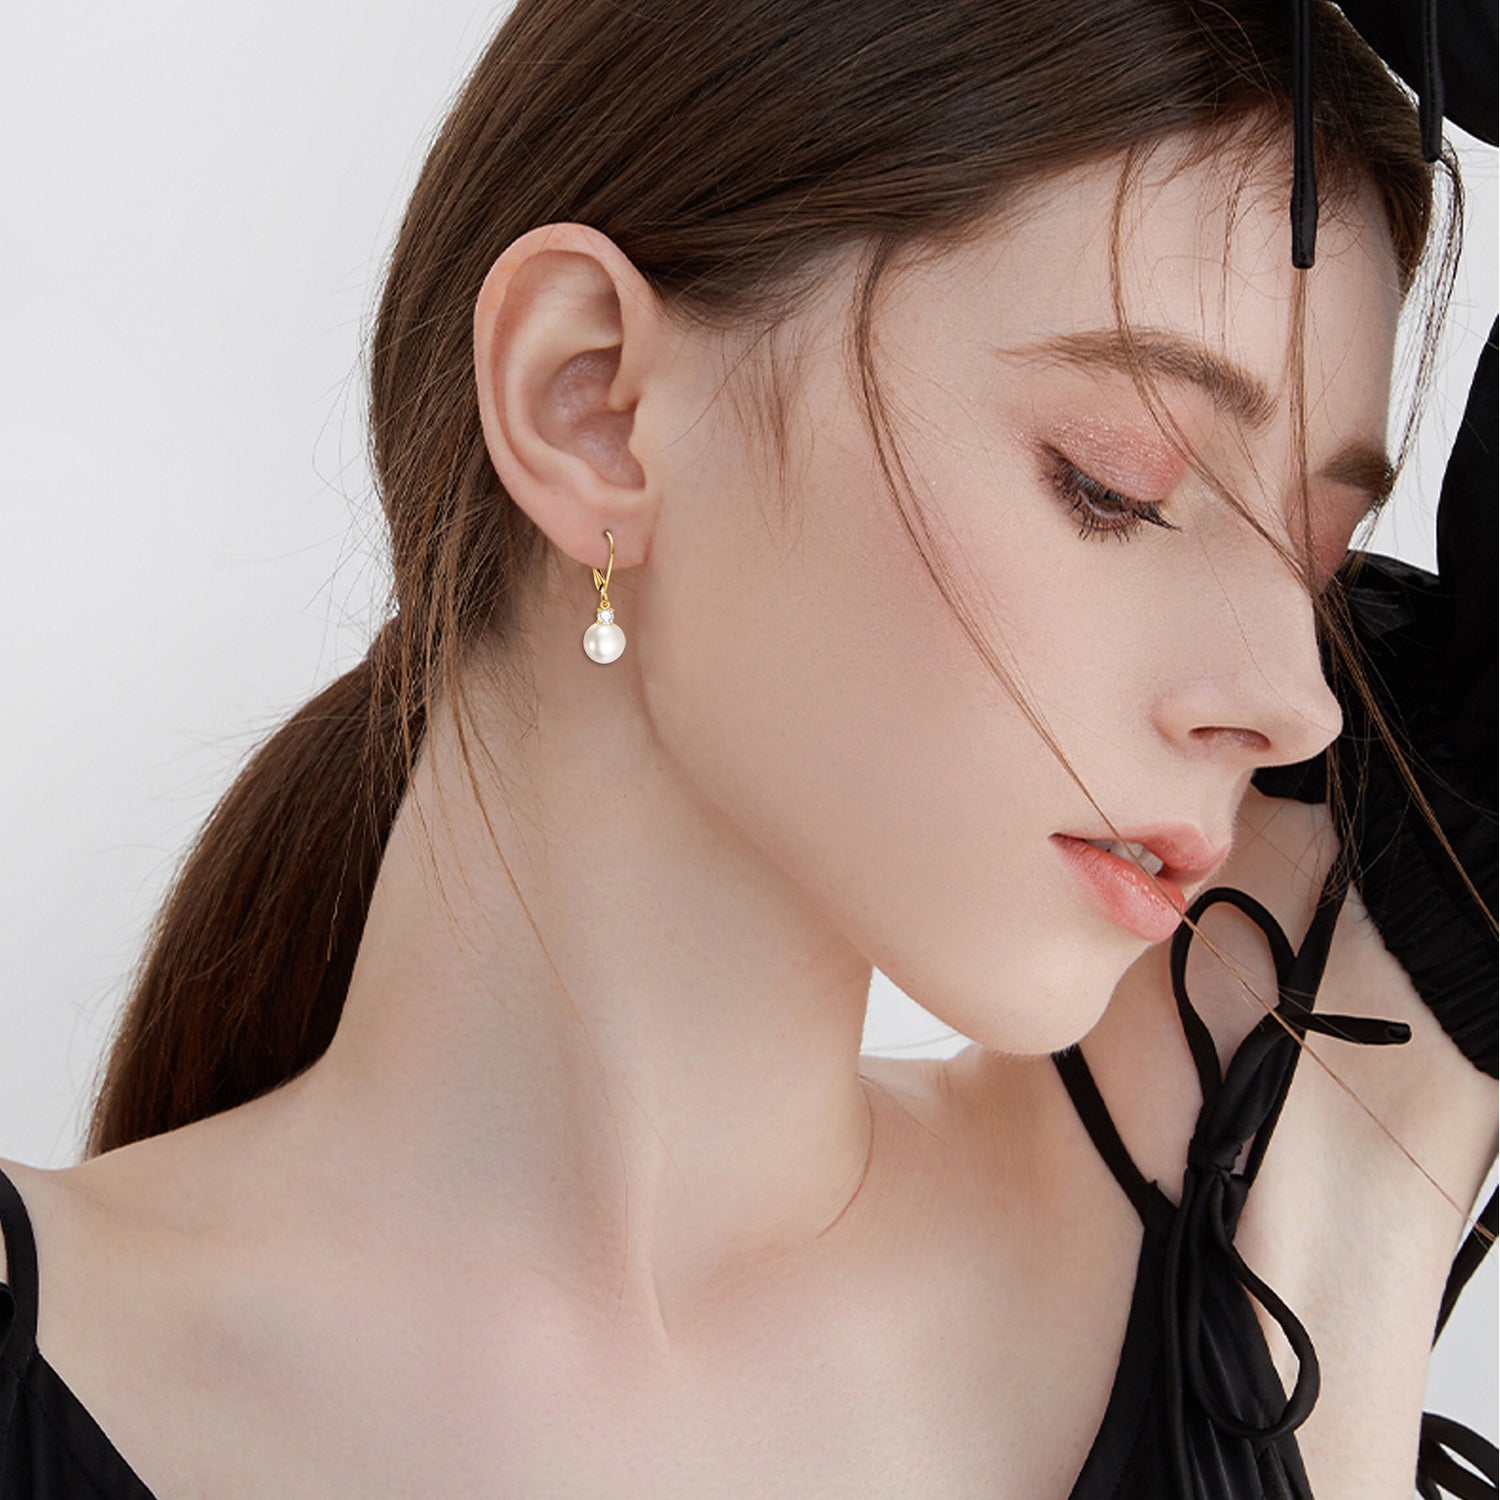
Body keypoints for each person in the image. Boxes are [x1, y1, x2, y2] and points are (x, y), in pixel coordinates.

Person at [1, 1, 1495, 1496]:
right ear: (593, 405)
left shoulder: (1272, 1112)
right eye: (1115, 486)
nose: (1295, 699)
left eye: (1312, 561)